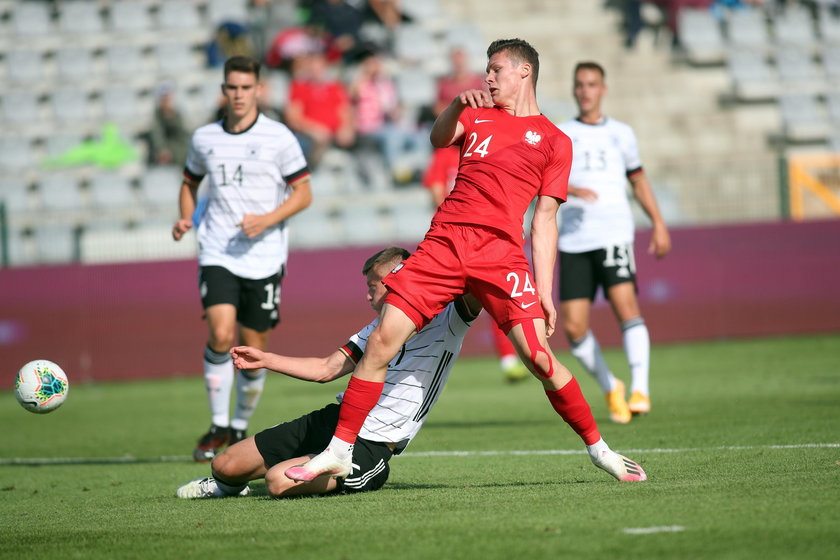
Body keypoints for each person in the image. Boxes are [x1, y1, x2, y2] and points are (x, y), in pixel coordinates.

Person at [286, 38, 648, 484]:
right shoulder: (474, 114)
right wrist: (455, 104)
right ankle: (340, 450)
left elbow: (545, 221)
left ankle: (600, 451)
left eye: (496, 69)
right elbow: (439, 139)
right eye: (487, 69)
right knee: (382, 341)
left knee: (539, 358)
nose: (488, 77)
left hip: (500, 254)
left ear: (524, 73)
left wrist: (544, 291)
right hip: (444, 244)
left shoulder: (555, 140)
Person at [176, 247, 482, 498]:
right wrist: (267, 359)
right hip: (336, 421)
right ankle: (231, 487)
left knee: (277, 482)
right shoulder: (374, 330)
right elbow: (326, 368)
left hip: (370, 445)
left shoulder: (448, 317)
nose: (367, 296)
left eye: (372, 287)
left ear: (393, 282)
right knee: (225, 464)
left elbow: (476, 283)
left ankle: (347, 471)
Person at [172, 56, 313, 462]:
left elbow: (304, 193)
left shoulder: (279, 137)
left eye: (245, 88)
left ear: (258, 90)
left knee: (253, 350)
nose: (238, 95)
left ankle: (238, 426)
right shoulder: (204, 138)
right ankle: (218, 427)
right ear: (223, 90)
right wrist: (185, 216)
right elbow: (189, 182)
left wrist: (267, 220)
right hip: (217, 250)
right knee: (220, 333)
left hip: (265, 257)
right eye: (231, 88)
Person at [555, 61, 671, 425]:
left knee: (625, 306)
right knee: (573, 327)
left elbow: (638, 180)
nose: (586, 90)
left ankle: (640, 388)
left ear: (603, 89)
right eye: (580, 84)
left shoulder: (622, 134)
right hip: (574, 239)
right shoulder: (561, 134)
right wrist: (570, 189)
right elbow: (541, 180)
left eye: (592, 84)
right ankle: (610, 385)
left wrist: (658, 222)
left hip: (614, 234)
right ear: (574, 90)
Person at [283, 51, 355, 168]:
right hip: (310, 136)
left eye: (319, 67)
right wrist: (314, 129)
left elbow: (345, 110)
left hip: (334, 135)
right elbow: (293, 118)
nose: (316, 71)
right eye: (312, 68)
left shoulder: (335, 87)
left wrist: (346, 127)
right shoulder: (299, 87)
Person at [147, 81, 190, 167]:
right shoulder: (157, 116)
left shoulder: (177, 114)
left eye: (168, 97)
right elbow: (157, 135)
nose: (166, 101)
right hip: (167, 151)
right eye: (164, 98)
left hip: (180, 150)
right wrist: (162, 150)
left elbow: (183, 134)